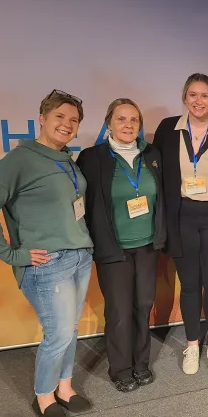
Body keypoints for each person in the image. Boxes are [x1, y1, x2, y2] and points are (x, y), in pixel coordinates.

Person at [0, 90, 94, 417]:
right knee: (58, 332)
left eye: (73, 120)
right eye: (60, 116)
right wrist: (9, 253)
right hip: (48, 263)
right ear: (42, 119)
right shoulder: (20, 159)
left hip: (79, 256)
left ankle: (65, 387)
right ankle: (43, 395)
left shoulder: (66, 159)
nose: (67, 124)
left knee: (69, 329)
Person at [76, 98, 166, 392]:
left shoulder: (152, 155)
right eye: (121, 119)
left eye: (134, 120)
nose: (128, 125)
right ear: (108, 124)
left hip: (148, 246)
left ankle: (141, 363)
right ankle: (121, 368)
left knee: (143, 305)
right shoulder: (92, 158)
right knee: (118, 310)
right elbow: (81, 202)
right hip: (113, 249)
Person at [153, 73, 208, 375]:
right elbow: (158, 177)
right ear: (184, 97)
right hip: (182, 220)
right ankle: (192, 345)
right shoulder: (168, 129)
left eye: (204, 95)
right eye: (193, 94)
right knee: (189, 286)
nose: (198, 101)